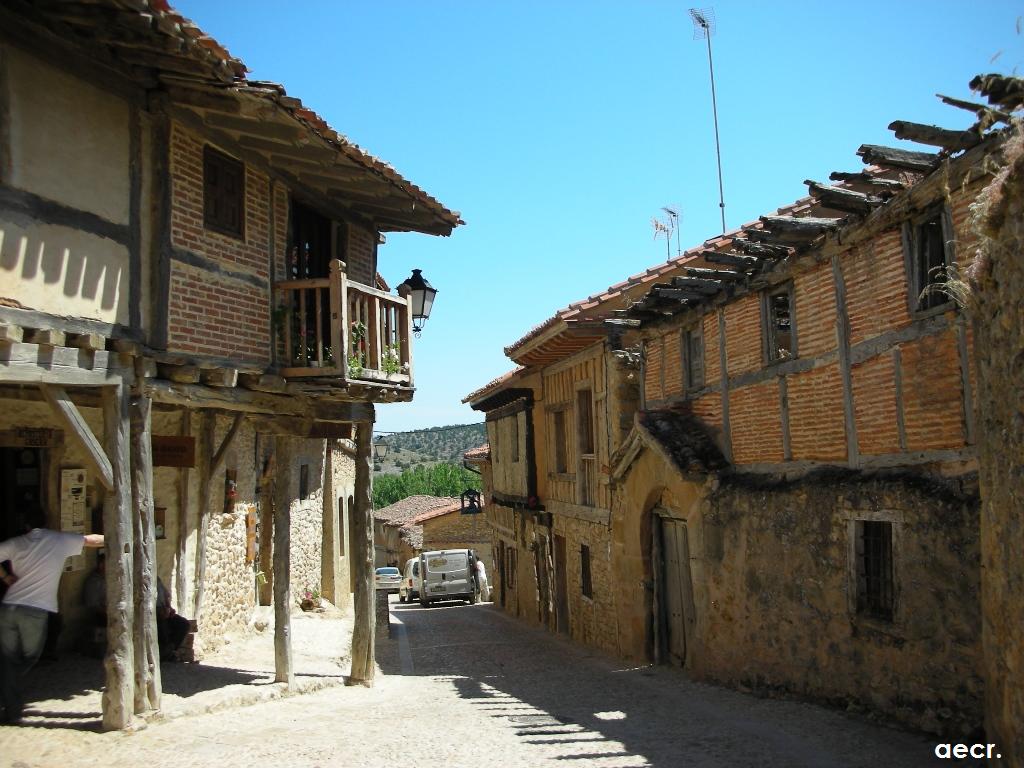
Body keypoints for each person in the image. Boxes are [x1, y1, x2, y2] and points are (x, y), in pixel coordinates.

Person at [0, 507, 103, 724]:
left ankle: (11, 706)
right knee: (31, 657)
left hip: (8, 607)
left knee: (9, 660)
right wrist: (116, 536)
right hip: (35, 610)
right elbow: (91, 541)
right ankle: (9, 694)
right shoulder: (57, 540)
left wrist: (6, 577)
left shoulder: (17, 542)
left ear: (26, 524)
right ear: (46, 521)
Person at [156, 578, 191, 662]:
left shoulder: (158, 581)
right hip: (155, 615)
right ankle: (165, 653)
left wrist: (169, 608)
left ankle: (171, 650)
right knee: (162, 626)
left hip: (164, 612)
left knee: (183, 624)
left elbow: (166, 596)